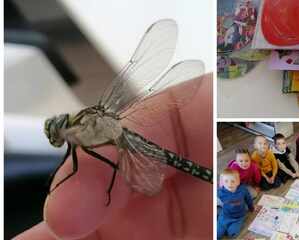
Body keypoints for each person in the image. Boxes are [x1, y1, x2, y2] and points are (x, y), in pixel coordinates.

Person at [14, 75, 213, 239]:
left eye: (58, 132)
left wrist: (57, 185)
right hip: (122, 135)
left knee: (101, 170)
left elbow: (75, 168)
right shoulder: (83, 125)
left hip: (126, 138)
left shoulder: (75, 134)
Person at [217, 169, 254, 239]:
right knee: (217, 234)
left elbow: (248, 199)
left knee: (233, 234)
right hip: (225, 216)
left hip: (238, 217)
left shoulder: (243, 190)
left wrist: (251, 208)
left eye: (233, 181)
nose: (229, 184)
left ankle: (227, 229)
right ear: (222, 183)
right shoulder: (220, 192)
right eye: (226, 181)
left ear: (238, 182)